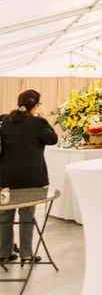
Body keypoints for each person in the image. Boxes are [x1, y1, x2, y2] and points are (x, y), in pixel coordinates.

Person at [0, 90, 57, 265]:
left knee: (4, 216)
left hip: (6, 179)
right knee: (27, 215)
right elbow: (53, 139)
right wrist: (44, 120)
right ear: (36, 105)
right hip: (31, 179)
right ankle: (26, 254)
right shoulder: (38, 122)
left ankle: (4, 253)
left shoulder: (3, 121)